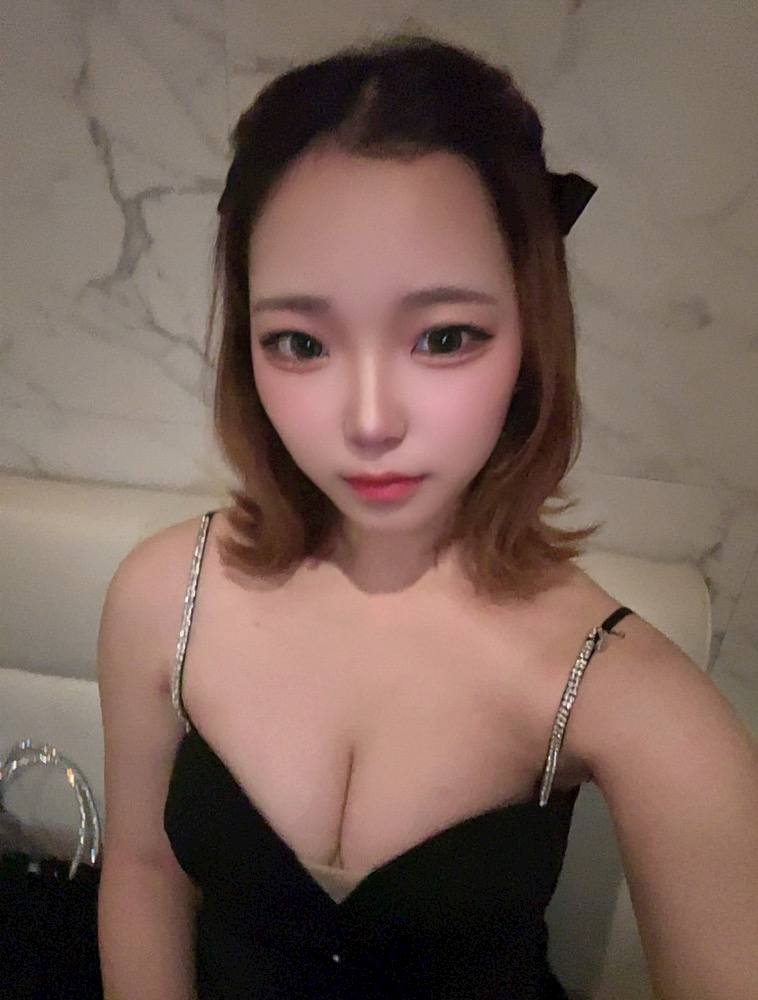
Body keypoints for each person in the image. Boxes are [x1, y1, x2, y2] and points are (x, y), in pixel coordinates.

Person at [96, 35, 758, 1000]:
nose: (371, 421)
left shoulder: (631, 697)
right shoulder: (165, 598)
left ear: (530, 332)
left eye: (444, 337)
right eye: (300, 342)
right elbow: (143, 870)